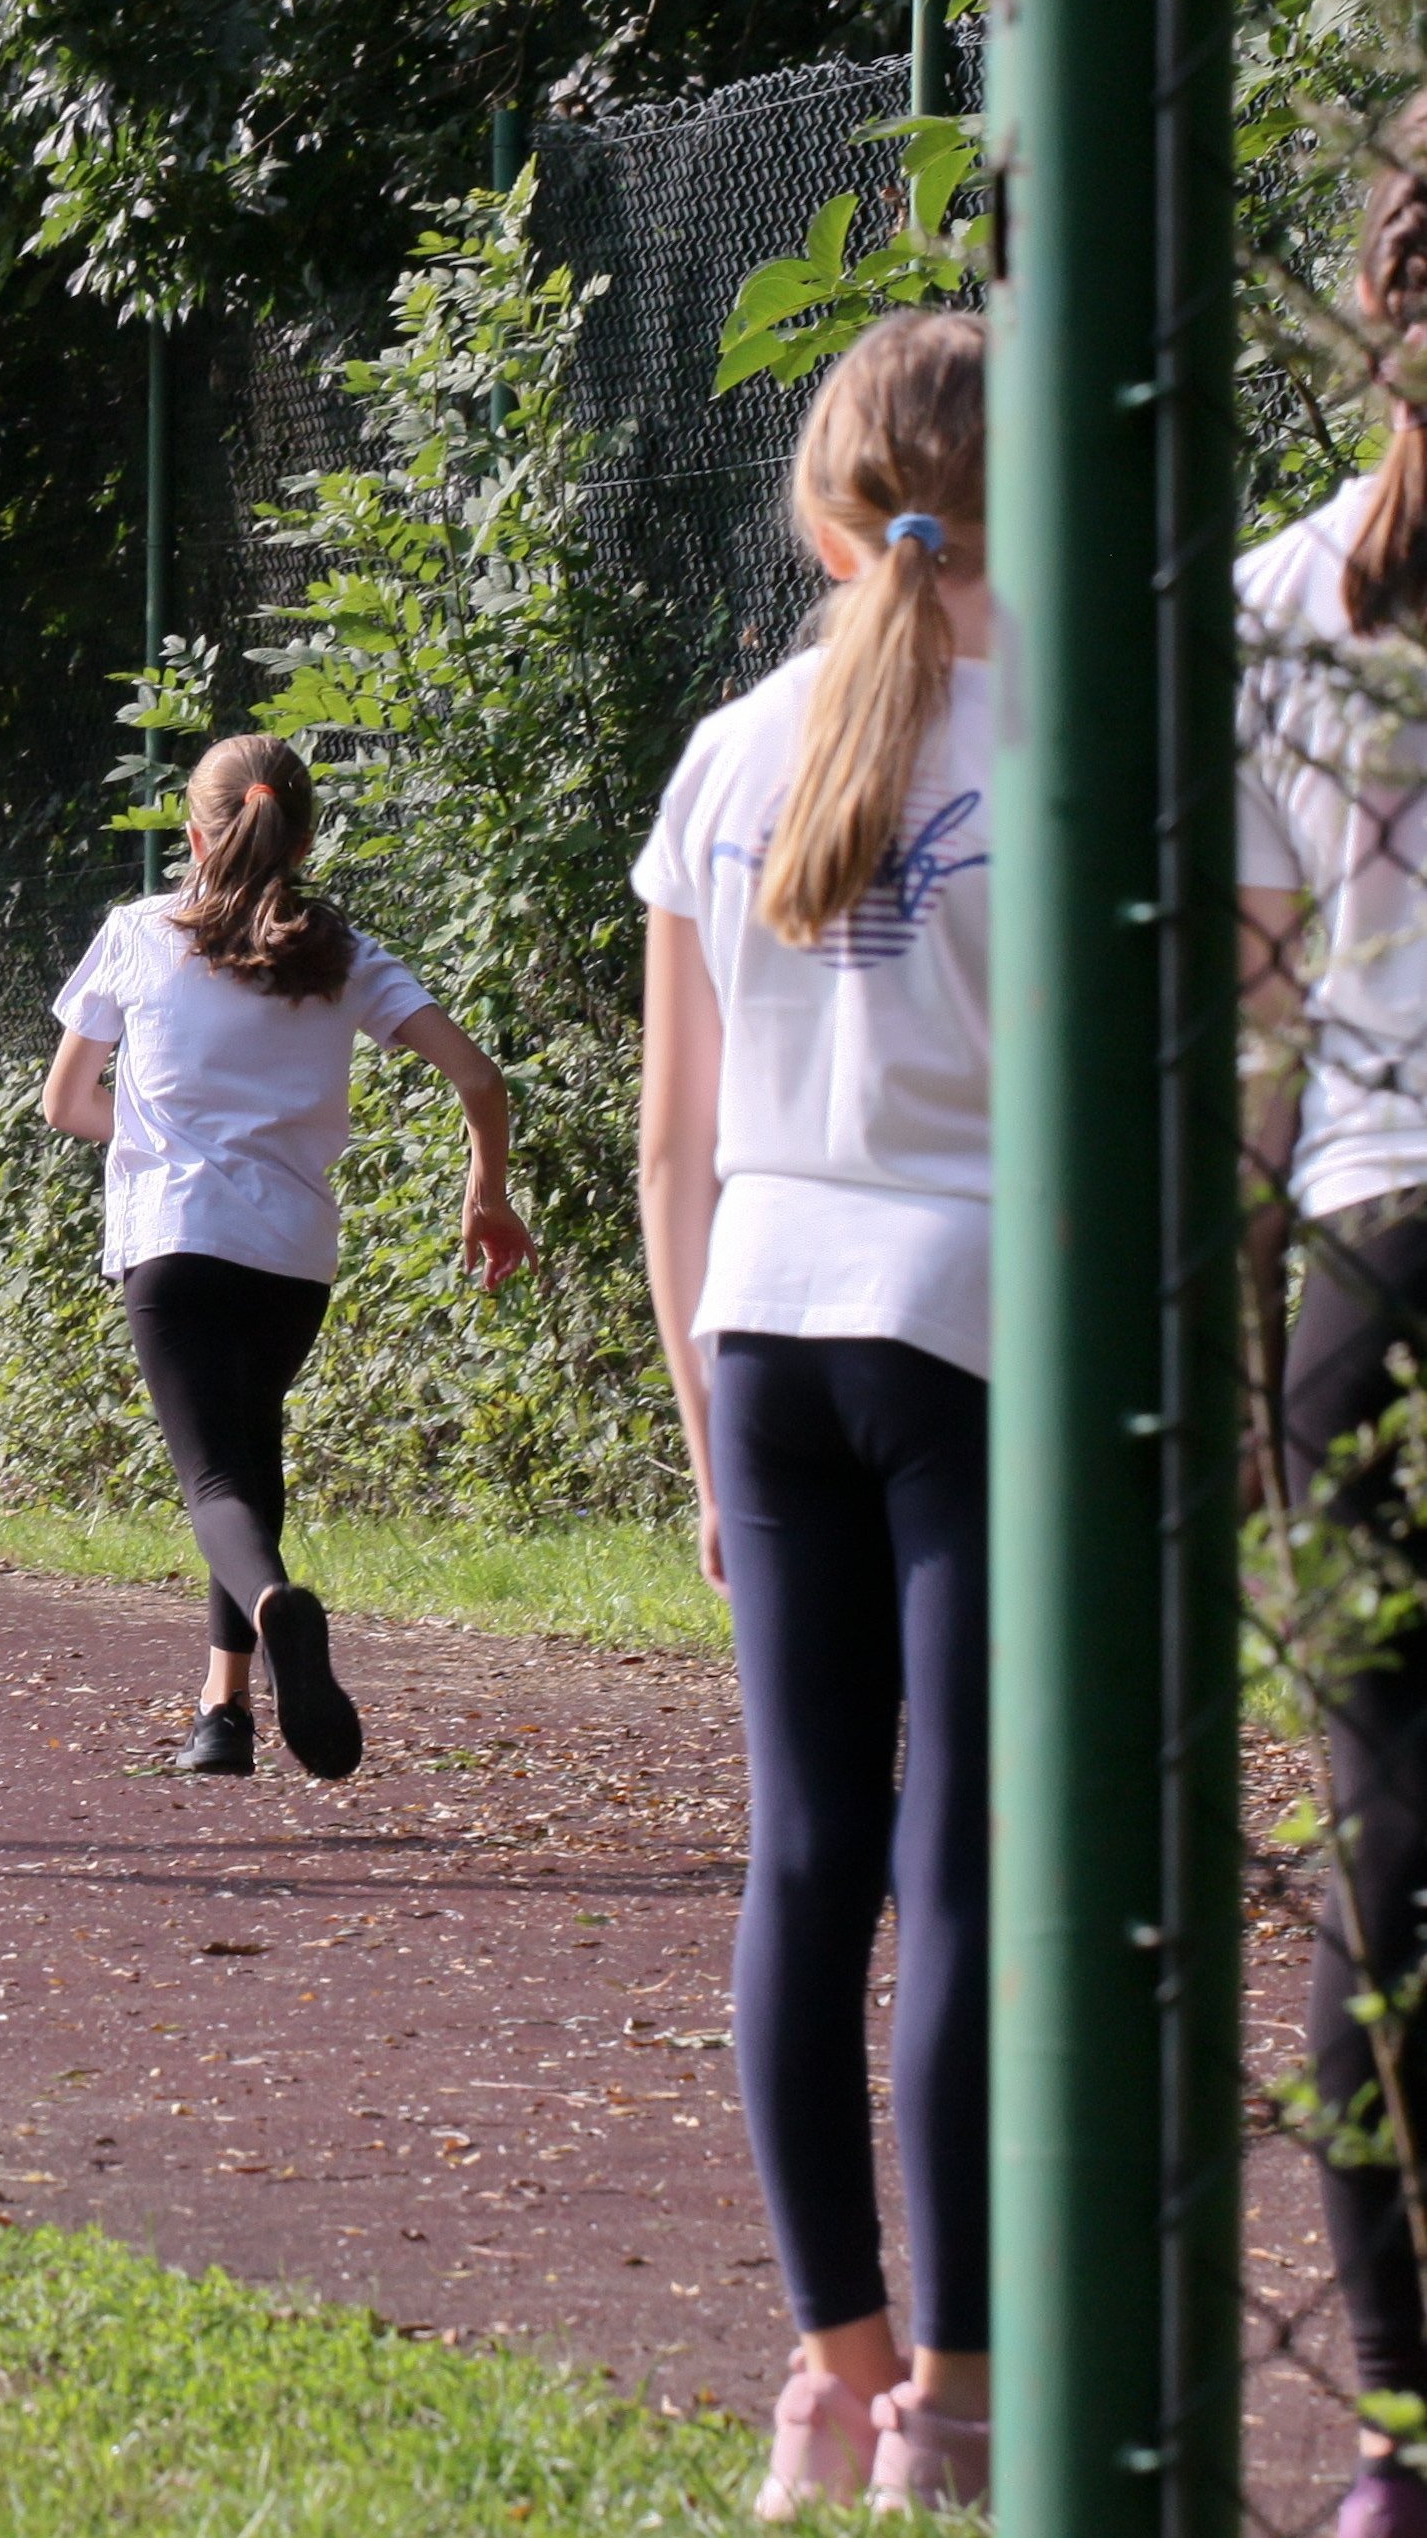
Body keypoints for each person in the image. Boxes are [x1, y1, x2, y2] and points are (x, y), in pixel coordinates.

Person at [633, 309, 994, 2520]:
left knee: (803, 1859)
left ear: (816, 500)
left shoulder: (722, 747)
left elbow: (671, 1149)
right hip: (969, 1327)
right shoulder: (1060, 722)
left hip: (762, 1328)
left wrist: (691, 1429)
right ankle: (945, 2405)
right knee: (955, 1862)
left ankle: (821, 2372)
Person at [41, 731, 528, 1783]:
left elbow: (63, 1100)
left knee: (214, 1479)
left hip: (172, 1243)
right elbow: (478, 1078)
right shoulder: (342, 952)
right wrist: (484, 1194)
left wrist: (154, 1129)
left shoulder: (135, 931)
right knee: (248, 1460)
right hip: (289, 1256)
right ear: (301, 837)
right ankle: (221, 1714)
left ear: (193, 831)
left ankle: (273, 1613)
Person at [1239, 91, 1427, 2538]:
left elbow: (1252, 1019)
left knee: (1388, 1846)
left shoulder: (1278, 590)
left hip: (1364, 1251)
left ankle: (1393, 2424)